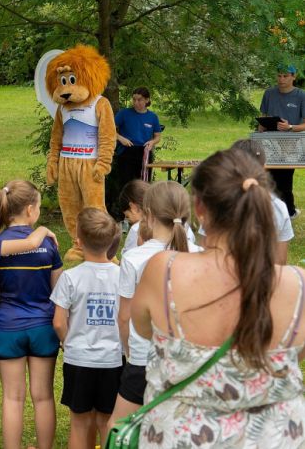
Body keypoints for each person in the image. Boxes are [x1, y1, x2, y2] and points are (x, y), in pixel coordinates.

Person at [130, 149, 305, 446]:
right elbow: (296, 352)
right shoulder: (297, 284)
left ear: (199, 208)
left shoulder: (165, 272)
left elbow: (144, 328)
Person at [108, 180, 201, 429]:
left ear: (147, 215)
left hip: (143, 359)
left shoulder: (133, 258)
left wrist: (129, 351)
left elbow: (124, 316)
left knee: (118, 428)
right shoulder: (200, 254)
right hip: (188, 360)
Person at [0, 180, 63, 449]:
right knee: (43, 397)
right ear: (30, 210)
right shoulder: (49, 244)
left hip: (8, 327)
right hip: (43, 328)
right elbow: (58, 292)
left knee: (13, 398)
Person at [51, 208, 122, 449]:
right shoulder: (122, 276)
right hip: (112, 361)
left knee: (79, 424)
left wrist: (66, 341)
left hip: (79, 359)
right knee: (107, 422)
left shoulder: (70, 278)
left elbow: (59, 322)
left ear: (79, 242)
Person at [106, 87, 162, 219]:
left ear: (147, 100)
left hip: (144, 152)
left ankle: (143, 215)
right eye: (134, 99)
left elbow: (157, 136)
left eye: (140, 100)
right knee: (125, 184)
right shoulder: (124, 114)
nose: (136, 102)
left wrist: (152, 143)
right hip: (126, 151)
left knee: (143, 184)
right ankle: (123, 216)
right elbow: (109, 129)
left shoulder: (152, 117)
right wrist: (120, 138)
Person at [259, 63, 305, 217]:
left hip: (290, 143)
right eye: (279, 75)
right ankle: (268, 211)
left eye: (285, 76)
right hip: (269, 142)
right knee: (267, 178)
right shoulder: (269, 94)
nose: (281, 79)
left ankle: (289, 212)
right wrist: (262, 128)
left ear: (294, 77)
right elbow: (263, 118)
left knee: (284, 180)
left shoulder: (301, 96)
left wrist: (290, 127)